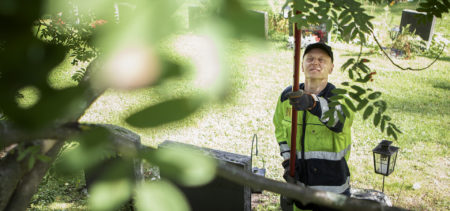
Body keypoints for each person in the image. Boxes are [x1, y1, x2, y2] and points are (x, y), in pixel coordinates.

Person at [273, 42, 353, 210]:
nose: (315, 63)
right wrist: (288, 161)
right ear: (301, 66)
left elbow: (337, 122)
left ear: (331, 68)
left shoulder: (341, 99)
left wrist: (312, 102)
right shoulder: (287, 97)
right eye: (309, 59)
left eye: (321, 60)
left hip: (332, 192)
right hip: (300, 190)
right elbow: (280, 130)